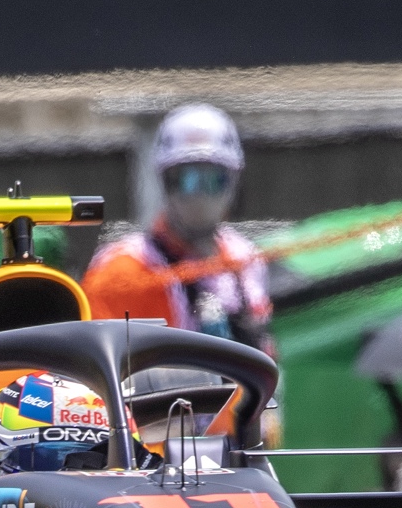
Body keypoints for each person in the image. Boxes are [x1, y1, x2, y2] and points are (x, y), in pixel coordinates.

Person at [82, 104, 273, 355]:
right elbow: (94, 360)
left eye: (215, 179)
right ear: (165, 182)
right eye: (186, 178)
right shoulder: (122, 272)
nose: (200, 195)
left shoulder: (245, 259)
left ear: (234, 181)